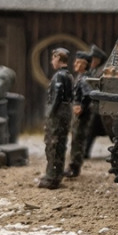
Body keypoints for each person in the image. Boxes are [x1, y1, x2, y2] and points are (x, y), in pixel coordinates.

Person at [38, 47, 73, 189]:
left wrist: (50, 112)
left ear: (58, 58)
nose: (52, 61)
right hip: (66, 111)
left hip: (58, 113)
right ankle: (56, 174)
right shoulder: (69, 76)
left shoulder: (59, 76)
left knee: (53, 144)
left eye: (53, 58)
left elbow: (57, 95)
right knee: (60, 144)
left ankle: (52, 177)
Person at [65, 50, 93, 178]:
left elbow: (88, 95)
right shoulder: (80, 77)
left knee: (77, 140)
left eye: (78, 62)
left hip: (82, 114)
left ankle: (74, 167)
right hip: (78, 113)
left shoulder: (85, 79)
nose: (75, 64)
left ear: (84, 64)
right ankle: (73, 165)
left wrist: (81, 106)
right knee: (75, 138)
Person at [83, 44, 108, 159]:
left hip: (99, 107)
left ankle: (84, 152)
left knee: (90, 129)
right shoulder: (95, 69)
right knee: (89, 130)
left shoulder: (103, 70)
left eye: (92, 59)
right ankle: (84, 152)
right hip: (95, 106)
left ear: (97, 59)